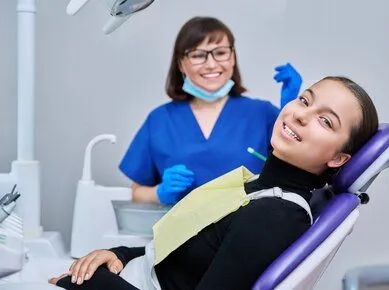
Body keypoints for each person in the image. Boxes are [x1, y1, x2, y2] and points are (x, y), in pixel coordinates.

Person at [50, 76, 379, 289]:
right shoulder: (257, 187)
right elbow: (184, 254)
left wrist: (93, 283)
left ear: (338, 158)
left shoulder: (275, 214)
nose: (300, 114)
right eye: (304, 100)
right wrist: (120, 254)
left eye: (325, 120)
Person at [119, 16, 302, 205]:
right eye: (198, 55)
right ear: (181, 64)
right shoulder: (159, 120)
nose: (211, 64)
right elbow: (136, 192)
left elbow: (300, 166)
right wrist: (159, 193)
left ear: (233, 59)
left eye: (221, 53)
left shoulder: (262, 114)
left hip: (250, 229)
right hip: (182, 232)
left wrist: (292, 112)